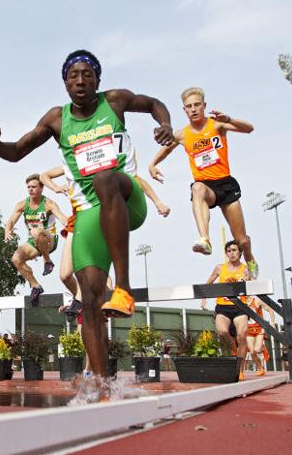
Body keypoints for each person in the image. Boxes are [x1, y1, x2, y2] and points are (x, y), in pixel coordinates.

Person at [0, 49, 174, 378]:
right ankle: (100, 385)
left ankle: (123, 288)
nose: (81, 80)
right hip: (88, 215)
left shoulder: (115, 101)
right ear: (65, 83)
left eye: (87, 74)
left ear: (98, 79)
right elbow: (16, 152)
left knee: (105, 177)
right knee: (91, 299)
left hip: (126, 199)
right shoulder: (56, 118)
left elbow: (153, 103)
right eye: (73, 75)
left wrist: (165, 123)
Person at [148, 87, 258, 278]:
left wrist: (229, 119)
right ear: (184, 110)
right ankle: (205, 239)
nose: (193, 109)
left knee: (241, 240)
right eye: (189, 106)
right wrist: (152, 164)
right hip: (206, 187)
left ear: (204, 106)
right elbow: (167, 148)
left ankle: (249, 256)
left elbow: (249, 129)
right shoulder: (182, 134)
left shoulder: (216, 125)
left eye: (197, 105)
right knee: (196, 188)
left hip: (225, 184)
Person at [42, 162, 169, 316]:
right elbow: (44, 176)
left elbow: (137, 180)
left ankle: (81, 300)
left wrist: (158, 202)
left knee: (91, 265)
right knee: (65, 274)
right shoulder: (71, 163)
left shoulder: (101, 162)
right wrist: (56, 187)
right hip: (77, 219)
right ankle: (89, 298)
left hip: (98, 216)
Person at [4, 174, 68, 302]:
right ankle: (35, 286)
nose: (30, 190)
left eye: (34, 187)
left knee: (36, 231)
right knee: (16, 259)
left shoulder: (49, 204)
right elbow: (11, 220)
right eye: (28, 187)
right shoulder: (22, 205)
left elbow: (63, 219)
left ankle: (47, 260)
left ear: (41, 188)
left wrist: (71, 228)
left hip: (49, 239)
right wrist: (7, 230)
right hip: (34, 241)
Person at [200, 240, 251, 380]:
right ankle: (232, 349)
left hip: (240, 307)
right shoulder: (220, 268)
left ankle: (239, 370)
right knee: (222, 332)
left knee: (242, 335)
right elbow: (209, 283)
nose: (232, 253)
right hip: (223, 307)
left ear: (240, 252)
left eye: (234, 250)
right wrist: (204, 297)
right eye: (229, 251)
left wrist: (249, 278)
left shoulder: (245, 268)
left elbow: (253, 284)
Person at [247, 297, 274, 376]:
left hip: (259, 328)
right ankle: (260, 368)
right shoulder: (241, 302)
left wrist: (272, 323)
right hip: (248, 329)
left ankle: (262, 348)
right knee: (252, 351)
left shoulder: (256, 301)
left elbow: (270, 310)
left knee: (257, 350)